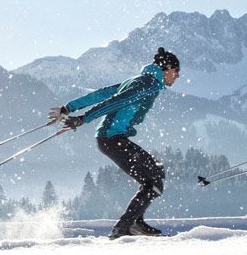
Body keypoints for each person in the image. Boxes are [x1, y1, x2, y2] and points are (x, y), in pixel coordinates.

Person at [48, 47, 180, 239]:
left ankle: (135, 222)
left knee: (154, 175)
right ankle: (125, 226)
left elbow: (102, 94)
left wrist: (68, 108)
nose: (177, 77)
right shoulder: (149, 84)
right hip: (112, 139)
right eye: (176, 72)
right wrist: (83, 118)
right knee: (154, 181)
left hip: (110, 139)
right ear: (166, 69)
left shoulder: (138, 81)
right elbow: (115, 101)